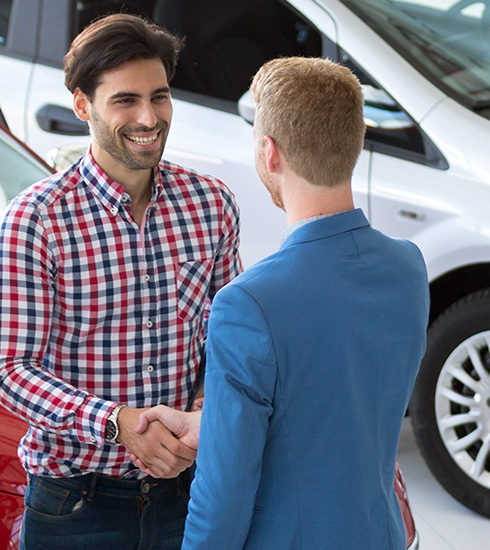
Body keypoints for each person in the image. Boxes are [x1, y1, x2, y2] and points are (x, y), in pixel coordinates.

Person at [137, 57, 429, 549]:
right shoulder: (408, 267)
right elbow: (333, 408)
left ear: (269, 152)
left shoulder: (249, 304)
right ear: (353, 144)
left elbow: (224, 491)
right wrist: (210, 422)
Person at [0, 13, 240, 549]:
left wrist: (199, 416)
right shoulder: (35, 220)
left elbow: (228, 341)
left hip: (191, 491)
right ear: (83, 105)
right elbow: (10, 371)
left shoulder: (211, 204)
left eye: (160, 96)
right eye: (125, 100)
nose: (149, 117)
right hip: (76, 503)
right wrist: (117, 423)